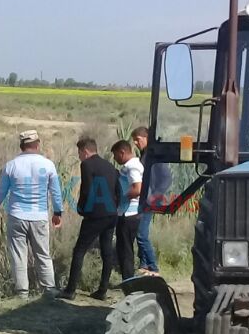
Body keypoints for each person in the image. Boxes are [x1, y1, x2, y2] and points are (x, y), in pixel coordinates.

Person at [0, 129, 63, 298]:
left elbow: (0, 192)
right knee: (43, 254)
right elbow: (55, 192)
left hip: (17, 216)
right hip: (39, 217)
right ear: (37, 144)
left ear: (21, 146)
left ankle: (22, 293)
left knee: (18, 255)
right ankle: (49, 291)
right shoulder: (48, 165)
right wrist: (57, 212)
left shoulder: (11, 166)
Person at [59, 137, 120, 300]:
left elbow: (86, 189)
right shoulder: (110, 166)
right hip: (111, 213)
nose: (79, 156)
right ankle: (102, 290)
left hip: (95, 214)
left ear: (85, 151)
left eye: (79, 153)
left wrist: (82, 208)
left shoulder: (86, 165)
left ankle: (70, 290)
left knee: (79, 250)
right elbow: (118, 189)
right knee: (107, 251)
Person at [130, 126, 170, 273]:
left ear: (146, 138)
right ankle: (144, 264)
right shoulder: (145, 154)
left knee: (141, 233)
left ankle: (153, 266)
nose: (135, 142)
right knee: (139, 232)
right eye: (134, 140)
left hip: (150, 200)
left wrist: (155, 196)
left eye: (138, 139)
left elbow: (166, 179)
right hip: (144, 198)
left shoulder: (154, 156)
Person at [111, 138, 144, 281]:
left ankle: (128, 281)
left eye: (115, 155)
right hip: (128, 212)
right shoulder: (132, 165)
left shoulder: (132, 167)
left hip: (128, 213)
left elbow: (137, 189)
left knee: (125, 251)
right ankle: (128, 279)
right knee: (124, 249)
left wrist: (121, 199)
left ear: (122, 152)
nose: (115, 158)